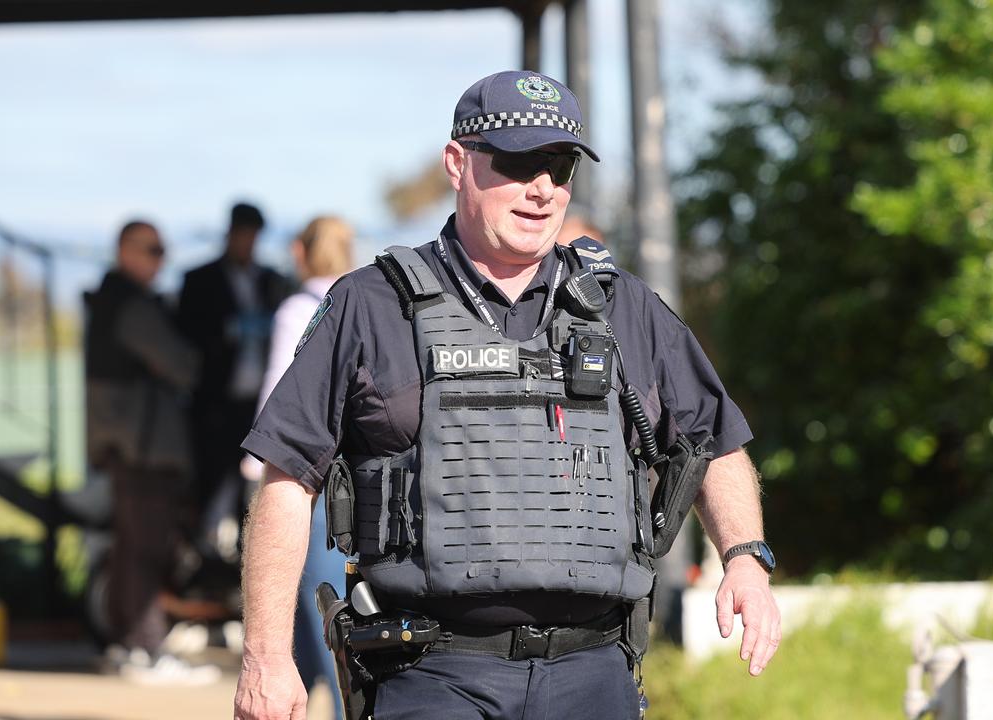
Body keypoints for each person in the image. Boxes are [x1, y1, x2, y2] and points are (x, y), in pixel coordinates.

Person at [234, 71, 782, 720]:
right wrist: (267, 655)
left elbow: (714, 442)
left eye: (560, 164)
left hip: (594, 671)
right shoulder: (370, 305)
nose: (543, 188)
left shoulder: (621, 305)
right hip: (432, 672)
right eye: (520, 161)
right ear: (457, 164)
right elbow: (288, 477)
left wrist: (745, 558)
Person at [85, 219, 220, 686]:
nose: (159, 260)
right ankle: (146, 648)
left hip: (128, 448)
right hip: (141, 449)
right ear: (124, 250)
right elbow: (182, 365)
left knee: (129, 548)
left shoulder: (112, 301)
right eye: (151, 249)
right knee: (145, 550)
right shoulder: (130, 305)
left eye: (164, 250)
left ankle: (129, 646)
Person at [240, 216, 356, 718]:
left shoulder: (298, 308)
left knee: (311, 610)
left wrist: (255, 473)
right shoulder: (366, 300)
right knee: (335, 606)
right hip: (355, 482)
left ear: (299, 252)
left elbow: (278, 394)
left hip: (308, 481)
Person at [178, 203, 291, 550]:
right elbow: (186, 341)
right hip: (216, 406)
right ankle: (209, 560)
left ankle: (246, 557)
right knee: (213, 487)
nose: (248, 243)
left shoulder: (273, 281)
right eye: (243, 234)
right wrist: (225, 333)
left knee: (256, 491)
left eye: (253, 236)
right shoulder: (199, 281)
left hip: (258, 406)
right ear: (230, 233)